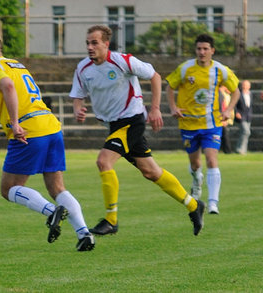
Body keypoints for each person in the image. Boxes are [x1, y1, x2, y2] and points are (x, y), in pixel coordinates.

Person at [71, 25, 205, 236]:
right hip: (113, 126)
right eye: (88, 43)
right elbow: (78, 95)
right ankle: (194, 206)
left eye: (94, 42)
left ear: (106, 44)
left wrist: (155, 109)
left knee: (103, 161)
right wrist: (78, 109)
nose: (90, 47)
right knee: (151, 171)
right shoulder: (83, 68)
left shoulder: (123, 61)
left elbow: (155, 76)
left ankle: (111, 220)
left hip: (131, 121)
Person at [0, 32, 95, 251]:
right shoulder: (16, 64)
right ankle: (84, 233)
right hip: (50, 126)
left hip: (29, 132)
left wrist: (15, 123)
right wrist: (0, 120)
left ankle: (51, 211)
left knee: (9, 188)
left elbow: (8, 87)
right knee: (57, 187)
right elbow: (25, 97)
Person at [165, 34, 240, 215]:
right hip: (188, 123)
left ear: (212, 51)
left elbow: (235, 91)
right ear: (196, 50)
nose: (202, 52)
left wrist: (228, 109)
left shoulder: (220, 70)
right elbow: (169, 86)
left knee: (212, 159)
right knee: (195, 164)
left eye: (206, 49)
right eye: (199, 49)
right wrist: (173, 107)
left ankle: (213, 203)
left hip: (212, 123)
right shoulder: (185, 69)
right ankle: (196, 180)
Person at [234, 80, 253, 155]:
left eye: (247, 85)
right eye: (244, 85)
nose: (245, 86)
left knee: (244, 133)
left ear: (249, 86)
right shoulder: (238, 93)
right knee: (246, 131)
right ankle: (239, 149)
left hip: (248, 116)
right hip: (241, 116)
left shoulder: (250, 94)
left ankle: (243, 149)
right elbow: (234, 103)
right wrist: (236, 112)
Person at [218, 87, 234, 154]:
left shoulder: (221, 93)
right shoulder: (219, 94)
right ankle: (228, 150)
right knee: (224, 135)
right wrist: (223, 118)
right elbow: (221, 107)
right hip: (219, 117)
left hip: (221, 117)